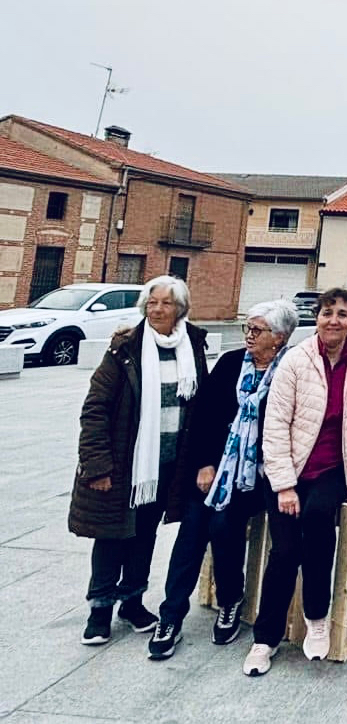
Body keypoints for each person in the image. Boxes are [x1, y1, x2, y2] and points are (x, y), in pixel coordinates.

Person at [243, 288, 347, 677]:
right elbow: (274, 427)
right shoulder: (296, 361)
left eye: (341, 314)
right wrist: (285, 485)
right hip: (289, 469)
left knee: (320, 521)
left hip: (331, 469)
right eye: (326, 313)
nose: (333, 321)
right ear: (316, 318)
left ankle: (317, 618)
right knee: (285, 551)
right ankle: (264, 639)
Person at [146, 300, 299, 659]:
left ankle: (231, 600)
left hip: (258, 476)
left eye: (257, 330)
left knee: (224, 524)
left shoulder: (290, 370)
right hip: (217, 469)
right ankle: (170, 616)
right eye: (248, 327)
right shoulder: (231, 364)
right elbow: (205, 416)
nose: (249, 334)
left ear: (278, 338)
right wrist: (204, 464)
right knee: (193, 529)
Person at [69, 276, 209, 645]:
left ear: (180, 309)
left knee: (144, 534)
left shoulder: (192, 344)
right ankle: (99, 610)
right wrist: (98, 465)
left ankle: (132, 601)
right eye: (152, 303)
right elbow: (95, 409)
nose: (158, 309)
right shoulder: (124, 348)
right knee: (112, 535)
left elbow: (199, 407)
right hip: (125, 464)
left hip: (166, 466)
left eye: (166, 303)